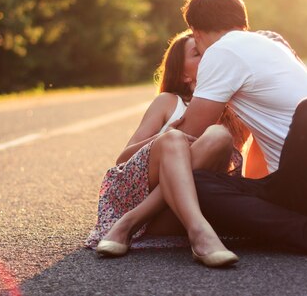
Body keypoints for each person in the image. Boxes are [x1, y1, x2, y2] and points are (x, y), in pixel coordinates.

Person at [172, 0, 307, 261]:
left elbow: (191, 133)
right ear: (242, 22)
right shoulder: (272, 45)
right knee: (203, 184)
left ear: (196, 32)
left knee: (193, 184)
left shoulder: (220, 52)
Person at [85, 30, 247, 267]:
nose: (208, 57)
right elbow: (123, 159)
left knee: (219, 136)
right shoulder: (169, 102)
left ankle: (130, 221)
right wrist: (166, 134)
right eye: (197, 54)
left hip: (185, 212)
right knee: (173, 140)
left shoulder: (230, 110)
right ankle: (200, 235)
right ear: (183, 74)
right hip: (152, 211)